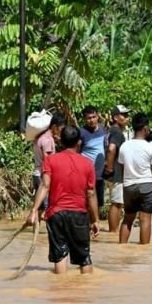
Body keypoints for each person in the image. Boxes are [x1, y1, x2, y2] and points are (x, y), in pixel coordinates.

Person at [27, 125, 100, 274]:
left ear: (60, 141)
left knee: (60, 256)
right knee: (84, 257)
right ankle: (87, 291)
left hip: (56, 215)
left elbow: (45, 185)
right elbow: (91, 194)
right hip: (79, 215)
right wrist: (95, 220)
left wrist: (34, 210)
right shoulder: (88, 164)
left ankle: (60, 290)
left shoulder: (51, 161)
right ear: (79, 142)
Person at [117, 113, 152, 244]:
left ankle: (122, 247)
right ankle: (143, 250)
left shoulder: (124, 146)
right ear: (145, 128)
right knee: (145, 220)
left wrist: (126, 183)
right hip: (146, 186)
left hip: (128, 186)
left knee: (128, 219)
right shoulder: (151, 147)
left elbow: (122, 169)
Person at [104, 105, 131, 233]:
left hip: (114, 172)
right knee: (117, 204)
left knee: (117, 203)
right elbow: (111, 149)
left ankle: (112, 231)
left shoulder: (110, 131)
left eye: (127, 115)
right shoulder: (117, 132)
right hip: (116, 173)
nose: (126, 117)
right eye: (123, 115)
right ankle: (113, 232)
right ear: (115, 117)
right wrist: (109, 168)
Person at [33, 113, 66, 210]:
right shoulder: (48, 140)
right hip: (43, 176)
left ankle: (36, 225)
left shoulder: (41, 136)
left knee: (39, 208)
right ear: (55, 127)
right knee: (47, 208)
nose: (62, 132)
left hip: (36, 174)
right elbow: (48, 161)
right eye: (61, 129)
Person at [79, 106, 107, 211]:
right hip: (85, 175)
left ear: (98, 116)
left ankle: (95, 223)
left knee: (99, 203)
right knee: (86, 202)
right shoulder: (81, 133)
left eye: (94, 117)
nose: (92, 120)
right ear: (85, 119)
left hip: (100, 174)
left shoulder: (104, 130)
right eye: (88, 118)